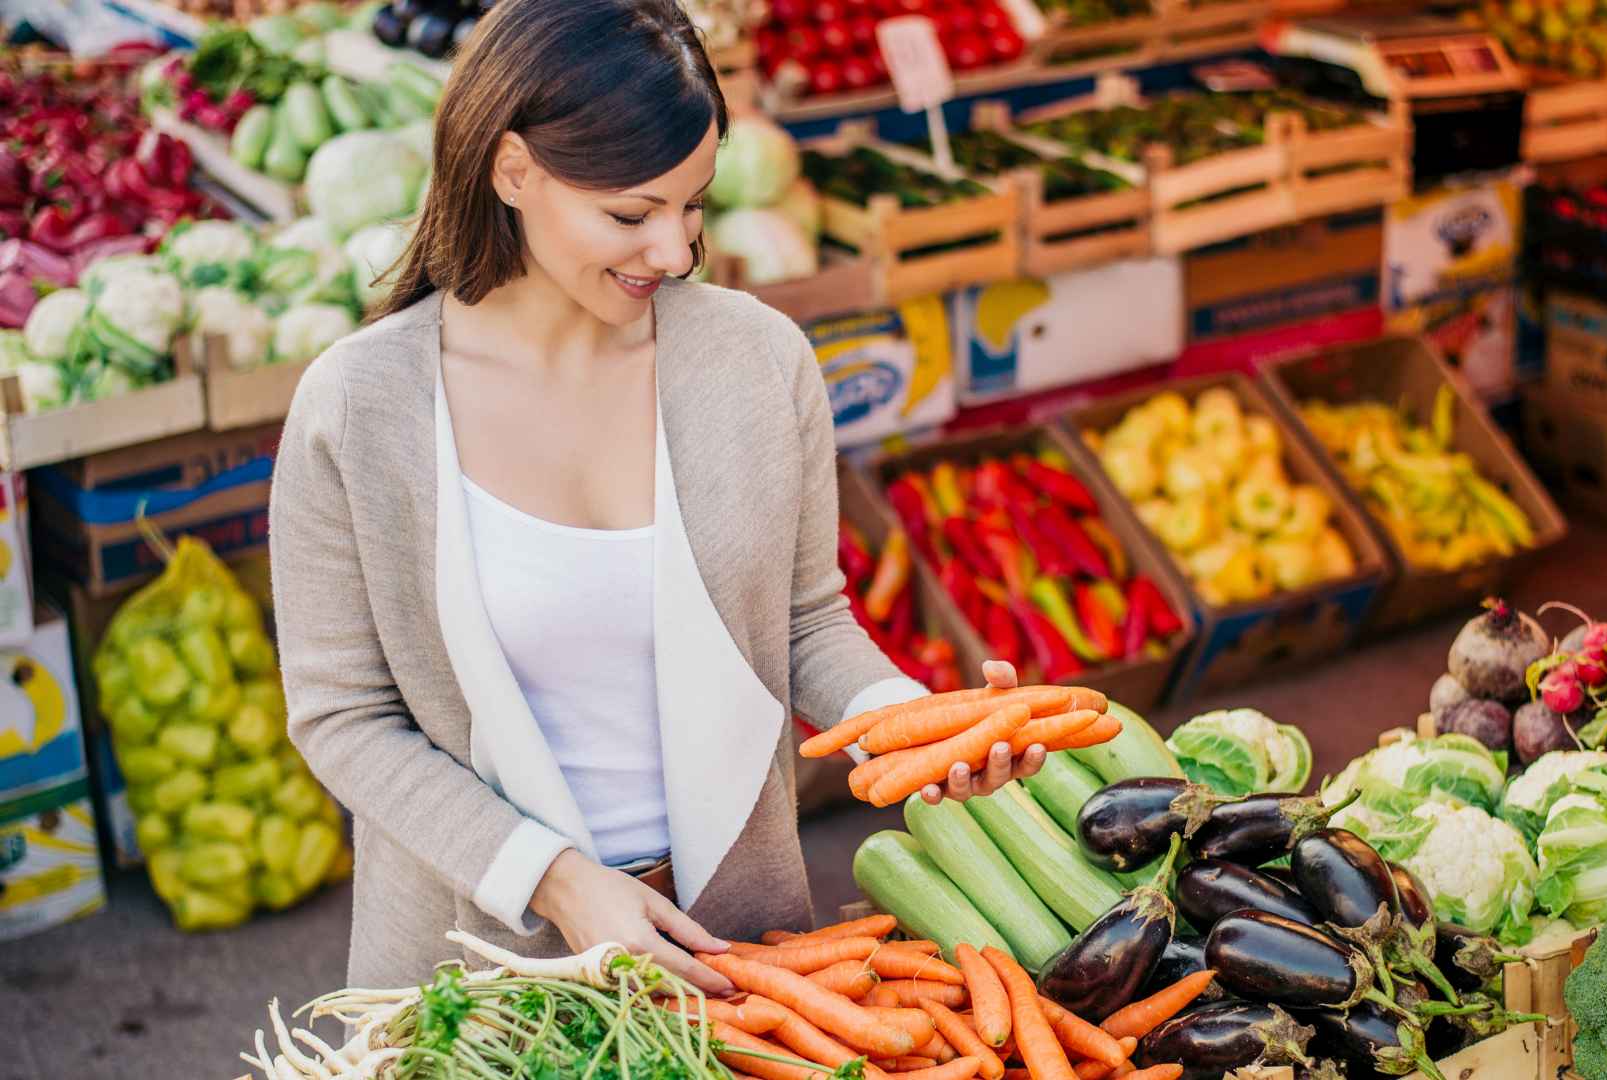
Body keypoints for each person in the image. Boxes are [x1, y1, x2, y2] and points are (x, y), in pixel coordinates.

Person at [268, 0, 1045, 995]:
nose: (675, 253)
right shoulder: (357, 406)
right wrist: (556, 881)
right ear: (513, 171)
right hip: (478, 967)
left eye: (695, 207)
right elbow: (344, 718)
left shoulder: (758, 360)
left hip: (739, 951)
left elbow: (805, 623)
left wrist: (914, 723)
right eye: (631, 215)